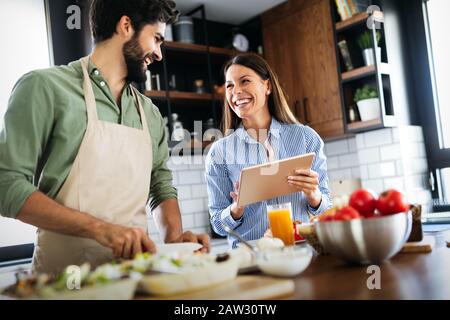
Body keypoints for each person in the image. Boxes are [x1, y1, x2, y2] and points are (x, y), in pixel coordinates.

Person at [0, 0, 209, 275]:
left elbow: (160, 186)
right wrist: (100, 229)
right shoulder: (44, 88)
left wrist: (175, 241)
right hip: (64, 280)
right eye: (156, 38)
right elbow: (6, 186)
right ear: (126, 26)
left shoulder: (150, 114)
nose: (159, 54)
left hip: (134, 277)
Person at [205, 53, 332, 248]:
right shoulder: (219, 152)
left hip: (301, 252)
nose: (236, 91)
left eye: (244, 81)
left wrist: (314, 195)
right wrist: (236, 208)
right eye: (230, 85)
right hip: (251, 257)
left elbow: (327, 211)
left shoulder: (306, 138)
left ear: (268, 86)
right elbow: (218, 225)